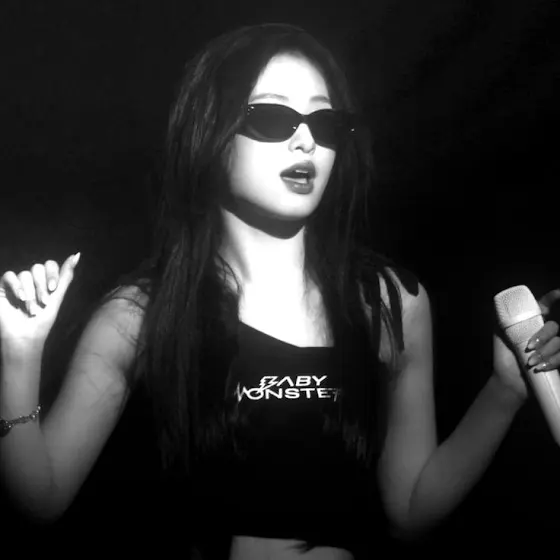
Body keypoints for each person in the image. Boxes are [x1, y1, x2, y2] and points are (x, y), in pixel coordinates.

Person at [1, 22, 559, 560]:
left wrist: (504, 391)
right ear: (208, 129)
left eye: (326, 123)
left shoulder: (390, 302)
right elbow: (41, 499)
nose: (306, 141)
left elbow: (412, 510)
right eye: (272, 117)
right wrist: (18, 356)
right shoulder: (140, 315)